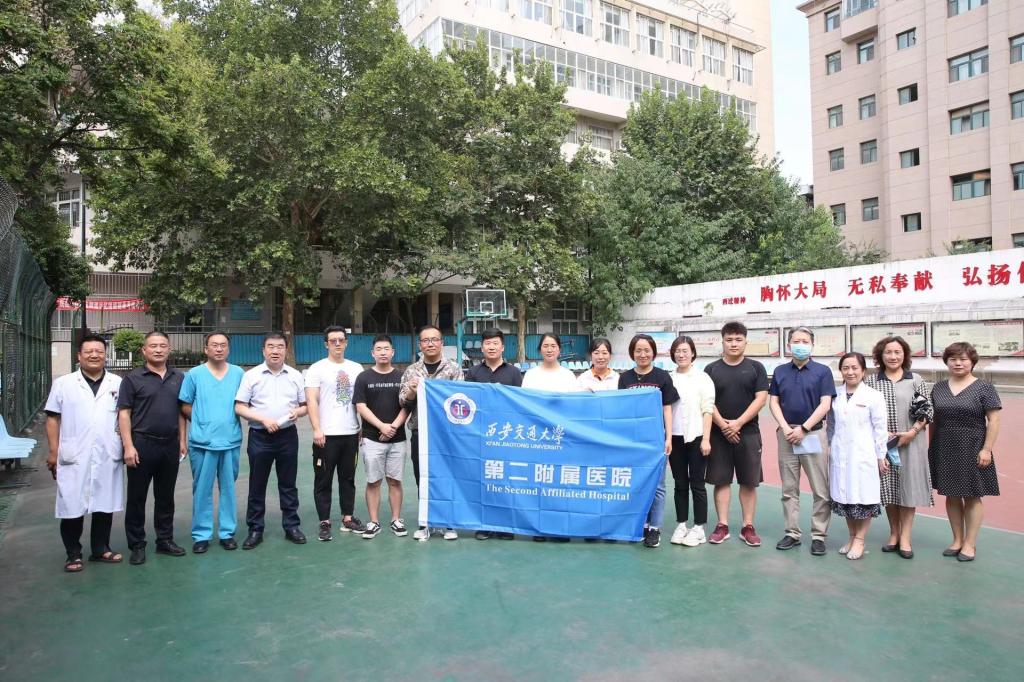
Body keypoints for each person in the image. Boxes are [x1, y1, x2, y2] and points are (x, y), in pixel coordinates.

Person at [44, 334, 125, 573]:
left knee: (104, 503)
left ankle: (100, 549)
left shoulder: (117, 383)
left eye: (99, 351)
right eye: (88, 351)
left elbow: (124, 417)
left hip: (107, 452)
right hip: (74, 453)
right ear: (79, 356)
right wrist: (53, 451)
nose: (94, 355)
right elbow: (52, 418)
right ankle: (73, 553)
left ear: (106, 356)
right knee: (72, 505)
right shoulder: (63, 383)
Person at [117, 331, 187, 565]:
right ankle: (137, 544)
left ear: (169, 350)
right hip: (142, 444)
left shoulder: (179, 377)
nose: (158, 350)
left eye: (163, 346)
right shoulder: (132, 379)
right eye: (153, 346)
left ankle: (165, 540)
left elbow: (181, 412)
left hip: (170, 444)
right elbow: (124, 414)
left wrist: (182, 440)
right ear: (144, 350)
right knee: (137, 497)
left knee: (165, 496)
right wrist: (128, 446)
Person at [235, 333, 309, 549]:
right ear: (263, 350)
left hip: (287, 436)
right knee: (257, 484)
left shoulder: (295, 375)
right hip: (260, 436)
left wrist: (298, 412)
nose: (275, 351)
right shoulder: (251, 376)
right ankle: (255, 529)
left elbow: (305, 406)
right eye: (271, 347)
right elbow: (240, 406)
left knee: (288, 484)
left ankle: (291, 526)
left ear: (286, 350)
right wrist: (263, 419)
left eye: (279, 347)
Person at [929, 342, 1001, 563]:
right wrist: (930, 447)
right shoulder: (938, 388)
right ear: (947, 362)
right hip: (944, 445)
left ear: (972, 362)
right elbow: (934, 420)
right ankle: (957, 540)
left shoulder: (984, 388)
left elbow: (994, 420)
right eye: (953, 359)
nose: (958, 363)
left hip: (973, 446)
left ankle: (970, 543)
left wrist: (987, 449)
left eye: (963, 359)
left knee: (972, 495)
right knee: (951, 494)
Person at [768, 326, 835, 556]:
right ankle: (792, 533)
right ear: (788, 345)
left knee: (820, 489)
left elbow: (825, 404)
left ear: (812, 345)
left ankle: (818, 535)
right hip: (787, 435)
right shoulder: (780, 371)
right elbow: (774, 402)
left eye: (805, 341)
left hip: (813, 434)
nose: (800, 345)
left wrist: (804, 428)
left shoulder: (823, 371)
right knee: (789, 488)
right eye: (796, 341)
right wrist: (787, 428)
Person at [864, 336, 933, 558]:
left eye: (897, 352)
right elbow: (865, 412)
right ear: (880, 355)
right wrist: (882, 437)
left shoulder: (915, 379)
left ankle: (906, 538)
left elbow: (926, 410)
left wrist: (912, 432)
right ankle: (894, 533)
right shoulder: (871, 381)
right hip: (882, 444)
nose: (893, 356)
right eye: (888, 352)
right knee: (889, 488)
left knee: (908, 488)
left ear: (905, 355)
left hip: (911, 442)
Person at [704, 322, 769, 548]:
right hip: (718, 434)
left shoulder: (756, 368)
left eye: (738, 339)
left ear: (745, 341)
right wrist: (724, 426)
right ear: (722, 341)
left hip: (748, 433)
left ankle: (747, 526)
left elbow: (761, 398)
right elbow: (708, 401)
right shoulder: (711, 369)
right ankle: (722, 525)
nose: (734, 344)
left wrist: (738, 423)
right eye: (729, 340)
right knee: (720, 481)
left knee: (748, 482)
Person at [179, 331, 245, 553]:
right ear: (205, 349)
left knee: (228, 489)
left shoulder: (238, 373)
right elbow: (185, 404)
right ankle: (201, 535)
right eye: (214, 345)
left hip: (230, 440)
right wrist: (201, 421)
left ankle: (227, 533)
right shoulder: (194, 375)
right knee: (202, 489)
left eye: (223, 345)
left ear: (228, 349)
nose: (219, 348)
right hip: (202, 442)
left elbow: (245, 402)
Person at [399, 324, 464, 541]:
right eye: (425, 340)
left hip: (447, 435)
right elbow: (403, 401)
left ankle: (448, 523)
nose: (430, 344)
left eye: (434, 339)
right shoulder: (412, 371)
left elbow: (461, 400)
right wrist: (412, 391)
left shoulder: (453, 369)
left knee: (447, 477)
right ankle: (425, 523)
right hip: (421, 433)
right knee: (423, 478)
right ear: (420, 345)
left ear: (442, 343)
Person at [305, 326, 366, 542]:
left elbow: (360, 401)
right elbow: (311, 400)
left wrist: (361, 426)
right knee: (323, 479)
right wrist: (317, 429)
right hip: (326, 435)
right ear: (326, 344)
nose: (337, 344)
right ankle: (324, 521)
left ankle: (348, 517)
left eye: (341, 340)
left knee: (348, 478)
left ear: (346, 342)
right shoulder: (316, 369)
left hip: (350, 433)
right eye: (333, 341)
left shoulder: (356, 368)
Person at [618, 334, 679, 549]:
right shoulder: (625, 378)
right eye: (638, 350)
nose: (642, 354)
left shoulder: (662, 376)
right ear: (632, 353)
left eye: (647, 350)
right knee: (638, 482)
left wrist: (668, 437)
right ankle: (642, 523)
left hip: (656, 439)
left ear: (653, 352)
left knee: (658, 485)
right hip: (634, 441)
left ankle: (655, 528)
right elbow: (622, 410)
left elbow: (667, 408)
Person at [828, 352, 889, 561]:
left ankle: (860, 540)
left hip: (864, 454)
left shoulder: (873, 396)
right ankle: (852, 537)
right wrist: (830, 447)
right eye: (846, 368)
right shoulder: (835, 394)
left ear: (863, 371)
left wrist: (881, 455)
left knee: (863, 498)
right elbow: (831, 424)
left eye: (855, 368)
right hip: (840, 453)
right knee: (846, 499)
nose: (850, 372)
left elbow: (880, 428)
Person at [464, 328, 521, 540]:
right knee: (484, 480)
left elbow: (520, 404)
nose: (491, 347)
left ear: (502, 347)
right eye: (487, 343)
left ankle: (506, 526)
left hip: (507, 436)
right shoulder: (473, 373)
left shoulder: (514, 373)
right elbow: (468, 403)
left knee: (506, 481)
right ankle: (484, 525)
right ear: (482, 348)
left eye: (495, 343)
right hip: (481, 436)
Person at [353, 334, 409, 539]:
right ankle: (374, 522)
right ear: (372, 353)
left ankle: (396, 519)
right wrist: (381, 427)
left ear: (393, 352)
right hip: (371, 438)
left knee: (395, 481)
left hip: (398, 439)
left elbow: (407, 405)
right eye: (379, 349)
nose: (383, 352)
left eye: (386, 349)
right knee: (373, 481)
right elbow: (361, 406)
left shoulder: (402, 376)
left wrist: (392, 427)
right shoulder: (364, 377)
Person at [667, 336, 715, 548]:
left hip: (696, 436)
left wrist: (706, 439)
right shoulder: (668, 378)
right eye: (677, 351)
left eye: (685, 351)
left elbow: (708, 409)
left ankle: (699, 528)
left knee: (697, 484)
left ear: (693, 353)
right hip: (675, 437)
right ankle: (681, 525)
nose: (681, 355)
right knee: (679, 484)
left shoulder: (703, 378)